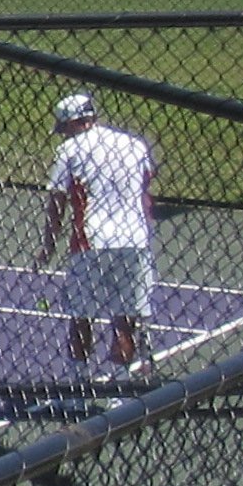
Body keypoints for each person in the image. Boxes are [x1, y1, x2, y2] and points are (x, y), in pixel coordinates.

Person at [40, 89, 159, 381]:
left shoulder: (69, 151)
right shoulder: (134, 145)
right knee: (125, 319)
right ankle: (118, 391)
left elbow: (58, 201)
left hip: (90, 242)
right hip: (134, 241)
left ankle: (77, 388)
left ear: (70, 124)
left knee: (81, 317)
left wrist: (48, 247)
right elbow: (145, 195)